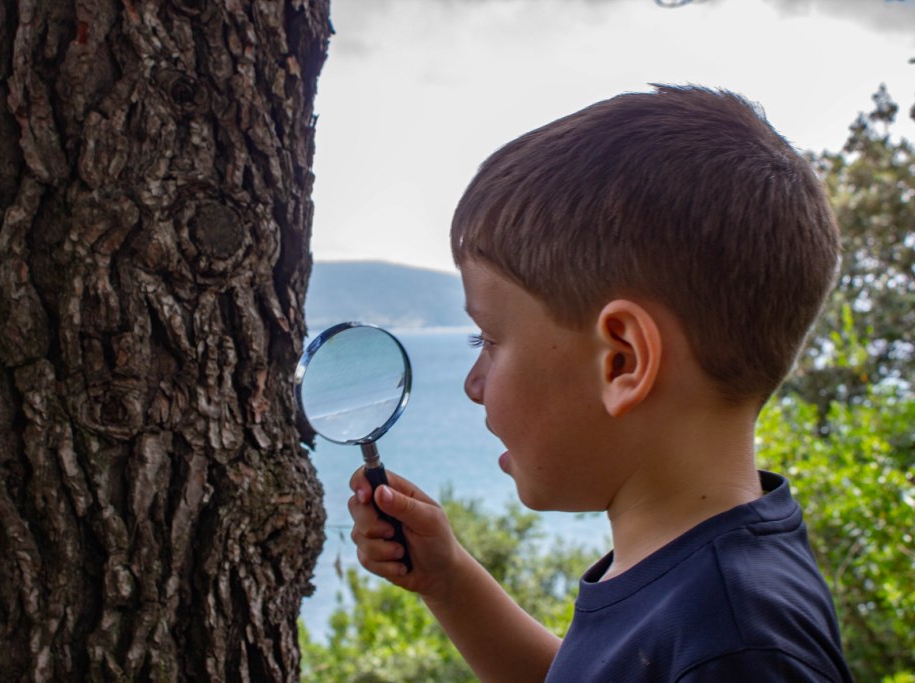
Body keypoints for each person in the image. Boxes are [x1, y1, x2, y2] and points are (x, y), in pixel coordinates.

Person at [347, 85, 854, 682]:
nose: (474, 384)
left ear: (623, 361)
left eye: (486, 339)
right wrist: (450, 582)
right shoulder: (696, 584)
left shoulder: (737, 649)